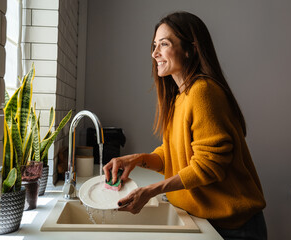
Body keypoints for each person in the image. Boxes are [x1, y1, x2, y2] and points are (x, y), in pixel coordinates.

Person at [103, 11, 267, 239]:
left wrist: (151, 191)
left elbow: (209, 166)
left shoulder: (203, 92)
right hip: (205, 218)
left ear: (191, 49)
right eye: (154, 45)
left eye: (164, 44)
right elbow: (174, 155)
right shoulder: (181, 97)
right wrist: (136, 159)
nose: (154, 53)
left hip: (232, 227)